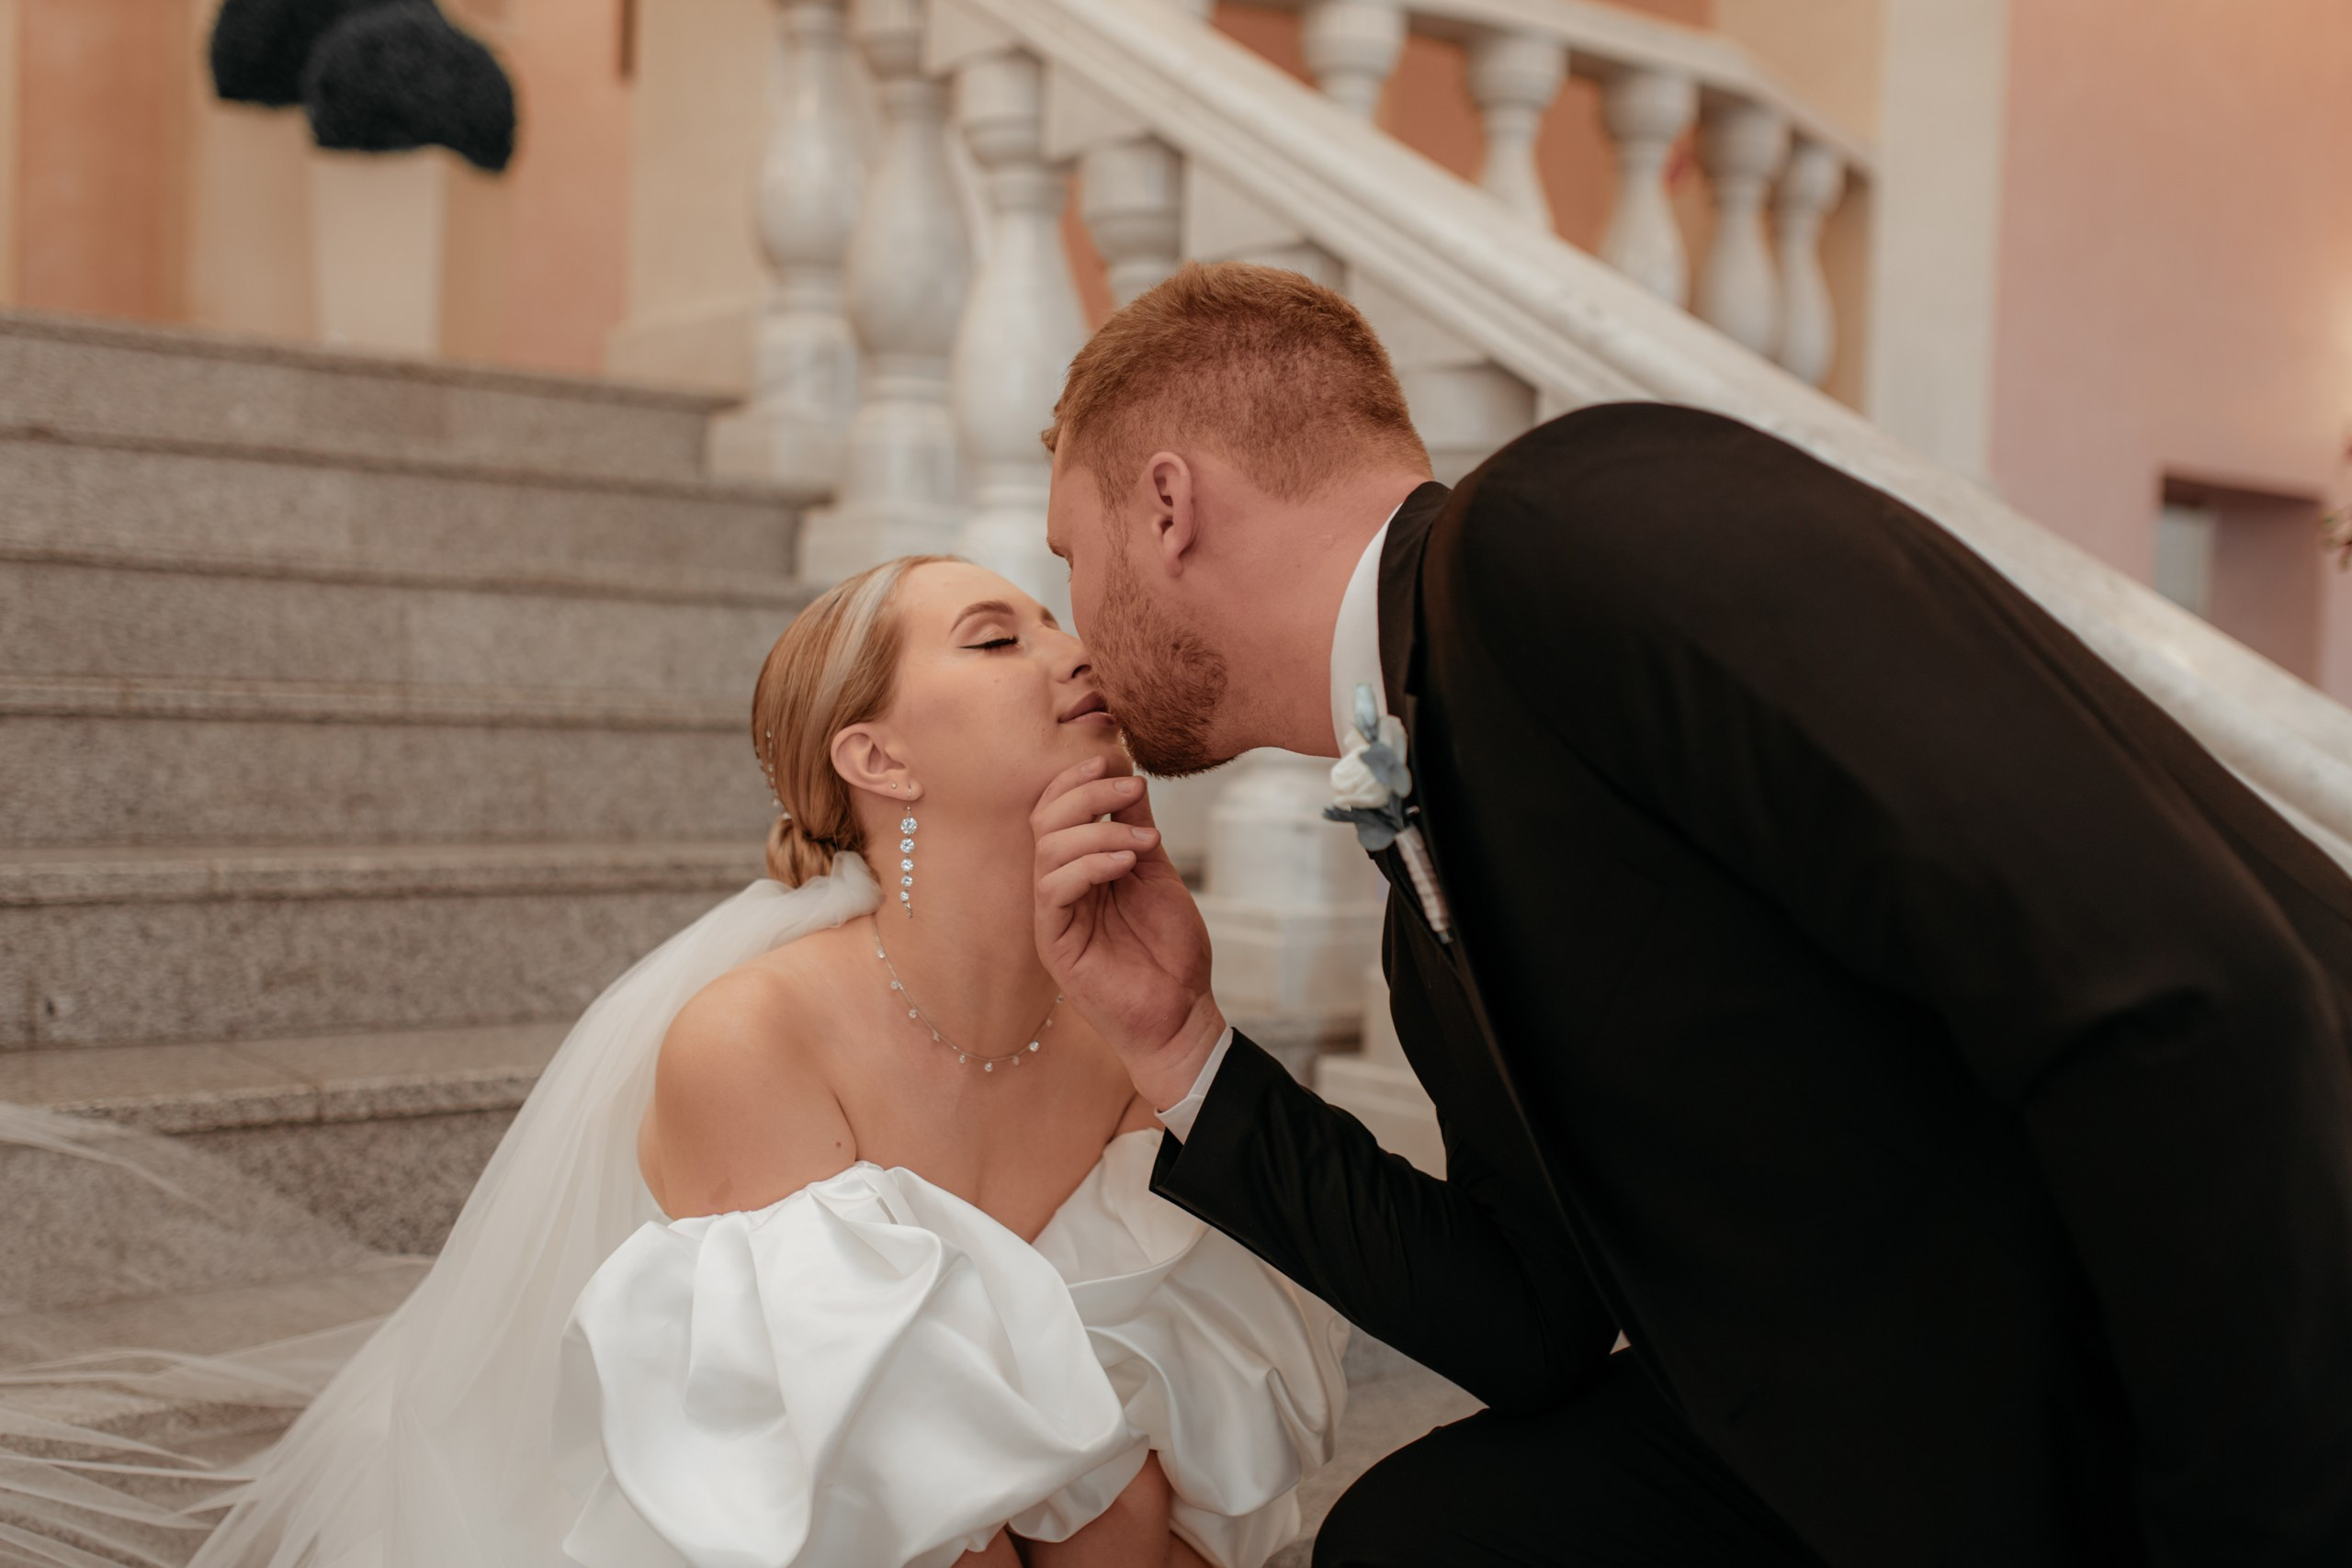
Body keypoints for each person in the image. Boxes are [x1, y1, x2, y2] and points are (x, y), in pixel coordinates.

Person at [1029, 261, 2352, 1567]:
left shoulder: (1568, 528)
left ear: (1165, 508)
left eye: (1069, 560)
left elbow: (2191, 989)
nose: (1075, 639)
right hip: (1883, 1394)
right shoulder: (1427, 851)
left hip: (2203, 1329)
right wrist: (1181, 1041)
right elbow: (1529, 1321)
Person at [191, 555, 1346, 1568]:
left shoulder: (1129, 1011)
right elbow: (860, 1512)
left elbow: (1140, 1473)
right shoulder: (754, 1042)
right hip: (762, 1516)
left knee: (1122, 1498)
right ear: (877, 757)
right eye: (998, 639)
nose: (1071, 649)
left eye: (1053, 622)